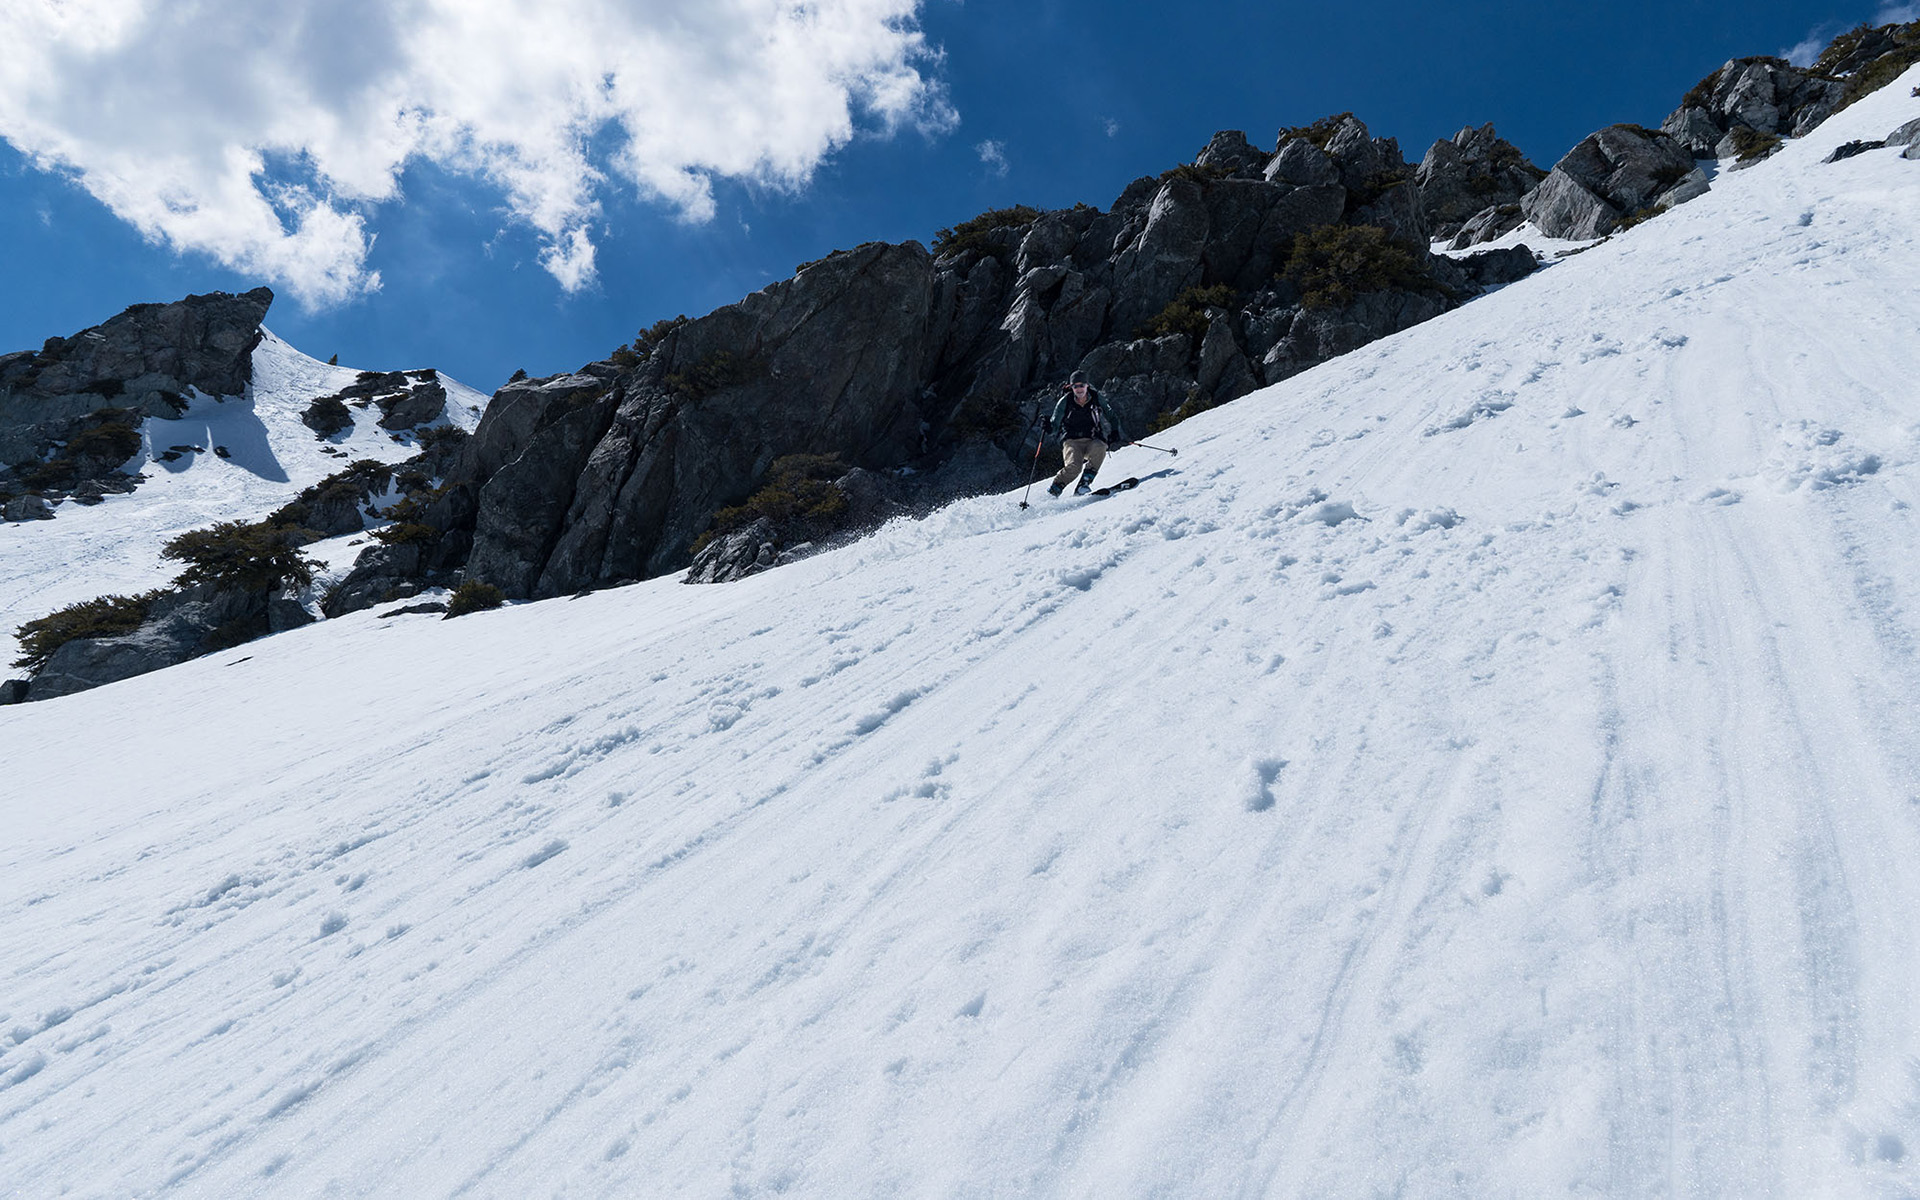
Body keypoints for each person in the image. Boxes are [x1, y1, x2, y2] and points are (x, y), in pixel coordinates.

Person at [1043, 370, 1126, 496]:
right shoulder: (1065, 401)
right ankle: (1054, 490)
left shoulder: (1096, 398)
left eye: (1082, 385)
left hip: (1092, 439)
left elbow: (1112, 416)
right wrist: (1048, 427)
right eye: (1075, 386)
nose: (1079, 389)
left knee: (1101, 447)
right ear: (1071, 387)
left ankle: (1084, 484)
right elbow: (1054, 425)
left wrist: (1115, 430)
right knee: (1074, 467)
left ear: (1087, 385)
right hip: (1071, 441)